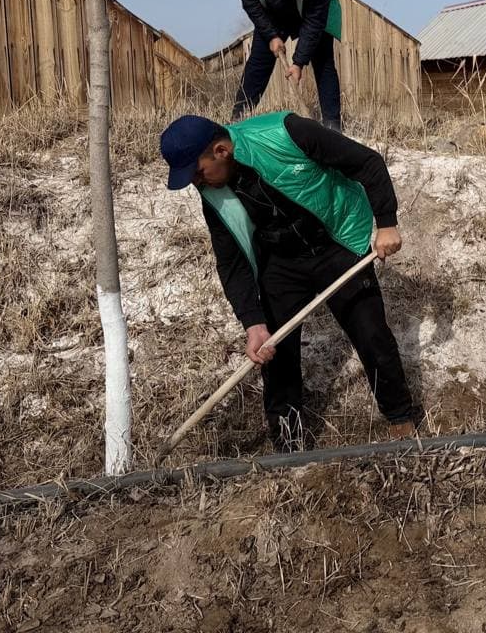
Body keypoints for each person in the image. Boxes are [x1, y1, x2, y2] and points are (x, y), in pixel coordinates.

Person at [159, 111, 421, 450]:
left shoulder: (286, 132)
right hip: (280, 259)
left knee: (371, 334)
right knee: (274, 350)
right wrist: (253, 324)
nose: (198, 183)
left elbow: (366, 162)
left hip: (336, 241)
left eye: (197, 173)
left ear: (221, 151)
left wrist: (386, 223)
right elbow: (231, 262)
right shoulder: (213, 190)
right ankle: (288, 444)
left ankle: (401, 420)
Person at [235, 0, 344, 129]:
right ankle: (237, 119)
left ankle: (333, 127)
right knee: (258, 63)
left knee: (324, 63)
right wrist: (271, 35)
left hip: (312, 12)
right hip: (272, 13)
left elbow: (314, 22)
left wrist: (298, 62)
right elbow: (249, 0)